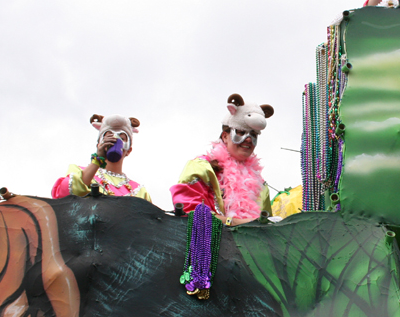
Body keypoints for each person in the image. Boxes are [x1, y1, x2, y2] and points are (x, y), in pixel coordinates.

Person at [171, 93, 273, 226]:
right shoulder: (201, 168)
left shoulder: (261, 185)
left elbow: (267, 228)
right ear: (225, 136)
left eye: (253, 134)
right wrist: (237, 223)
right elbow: (188, 214)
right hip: (208, 245)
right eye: (241, 132)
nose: (248, 139)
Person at [51, 114, 151, 201]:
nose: (115, 140)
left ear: (128, 150)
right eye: (108, 136)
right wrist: (97, 159)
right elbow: (65, 195)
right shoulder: (79, 172)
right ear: (99, 145)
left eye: (122, 138)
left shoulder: (140, 191)